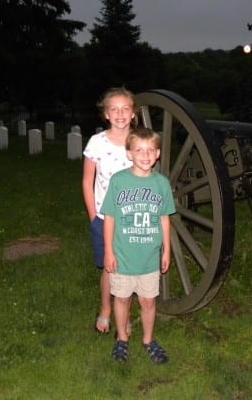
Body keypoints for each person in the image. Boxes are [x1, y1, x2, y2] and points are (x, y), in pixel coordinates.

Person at [101, 127, 175, 364]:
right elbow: (110, 218)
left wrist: (167, 250)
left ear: (158, 153)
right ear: (129, 153)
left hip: (148, 259)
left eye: (150, 150)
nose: (145, 155)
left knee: (148, 301)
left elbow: (165, 218)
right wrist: (109, 252)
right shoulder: (119, 181)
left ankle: (148, 340)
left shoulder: (161, 184)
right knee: (121, 299)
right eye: (139, 150)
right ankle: (121, 338)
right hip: (123, 257)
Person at [82, 87, 136, 334]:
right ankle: (105, 309)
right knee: (109, 267)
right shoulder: (97, 143)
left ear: (133, 113)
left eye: (125, 108)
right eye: (114, 109)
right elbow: (87, 180)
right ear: (106, 115)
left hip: (132, 218)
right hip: (105, 218)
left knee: (130, 268)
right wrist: (94, 217)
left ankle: (125, 314)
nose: (120, 113)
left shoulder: (138, 142)